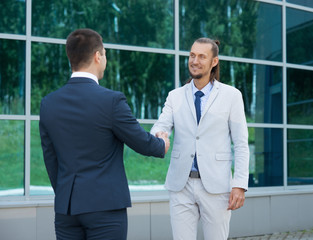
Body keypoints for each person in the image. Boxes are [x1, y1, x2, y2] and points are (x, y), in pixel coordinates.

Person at [39, 28, 170, 240]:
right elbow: (140, 141)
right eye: (105, 54)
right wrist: (161, 143)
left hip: (66, 210)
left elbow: (50, 159)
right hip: (105, 208)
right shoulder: (110, 101)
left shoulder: (48, 103)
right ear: (97, 56)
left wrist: (65, 193)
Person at [151, 37, 249, 240]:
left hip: (217, 186)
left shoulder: (232, 96)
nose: (194, 61)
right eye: (192, 55)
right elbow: (161, 125)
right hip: (181, 184)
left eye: (202, 57)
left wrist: (239, 184)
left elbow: (241, 143)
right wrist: (160, 134)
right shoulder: (175, 96)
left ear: (214, 62)